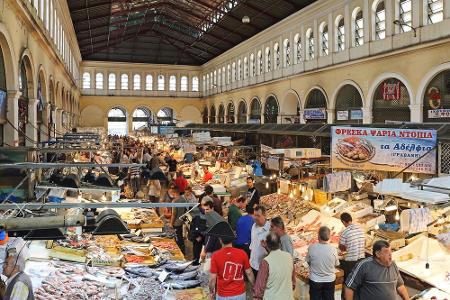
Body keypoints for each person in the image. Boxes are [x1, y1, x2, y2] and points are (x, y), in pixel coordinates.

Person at [344, 240, 409, 300]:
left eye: (391, 251)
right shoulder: (364, 265)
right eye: (386, 251)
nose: (390, 254)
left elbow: (400, 286)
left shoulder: (393, 265)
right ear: (377, 254)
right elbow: (349, 287)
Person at [209, 223, 255, 300]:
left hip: (223, 295)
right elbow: (249, 273)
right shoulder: (242, 253)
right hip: (240, 294)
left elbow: (212, 278)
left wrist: (211, 291)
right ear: (232, 239)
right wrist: (254, 286)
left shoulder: (215, 256)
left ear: (220, 240)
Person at [253, 232, 295, 300]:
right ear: (280, 243)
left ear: (267, 244)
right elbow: (293, 283)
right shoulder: (289, 256)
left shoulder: (265, 262)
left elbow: (259, 289)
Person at [306, 226, 339, 300]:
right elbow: (337, 264)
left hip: (315, 280)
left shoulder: (312, 247)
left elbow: (308, 261)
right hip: (329, 280)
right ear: (329, 237)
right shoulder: (333, 249)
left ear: (319, 236)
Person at [339, 213, 366, 286]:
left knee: (349, 282)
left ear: (343, 222)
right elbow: (364, 243)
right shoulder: (361, 230)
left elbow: (341, 247)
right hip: (362, 260)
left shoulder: (345, 232)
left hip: (350, 262)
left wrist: (346, 248)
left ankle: (347, 296)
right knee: (359, 281)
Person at [249, 205, 270, 278]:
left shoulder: (270, 230)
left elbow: (275, 252)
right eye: (254, 215)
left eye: (258, 215)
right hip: (253, 265)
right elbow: (252, 244)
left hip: (263, 268)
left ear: (265, 215)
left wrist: (266, 247)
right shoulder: (253, 226)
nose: (255, 218)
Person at [170, 186, 186, 254]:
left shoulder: (174, 201)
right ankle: (183, 250)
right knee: (180, 236)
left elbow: (174, 214)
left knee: (177, 238)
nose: (171, 194)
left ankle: (180, 252)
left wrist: (171, 223)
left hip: (176, 222)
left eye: (171, 192)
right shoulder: (183, 199)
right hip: (181, 221)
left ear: (174, 192)